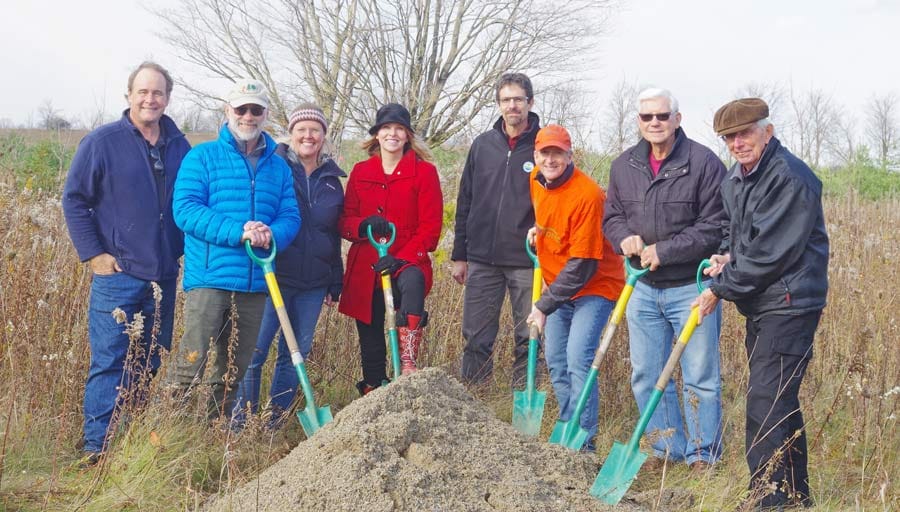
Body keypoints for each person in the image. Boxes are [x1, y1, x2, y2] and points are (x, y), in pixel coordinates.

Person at [695, 98, 829, 509]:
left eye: (745, 133)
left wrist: (720, 289)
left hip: (789, 302)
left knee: (765, 401)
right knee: (779, 399)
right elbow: (738, 237)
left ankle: (767, 498)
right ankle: (794, 497)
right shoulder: (737, 179)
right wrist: (724, 257)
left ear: (767, 131)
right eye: (729, 137)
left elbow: (771, 252)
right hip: (764, 304)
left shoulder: (789, 178)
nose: (737, 143)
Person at [62, 61, 191, 464]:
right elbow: (74, 200)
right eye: (143, 91)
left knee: (149, 359)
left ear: (167, 99)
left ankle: (129, 439)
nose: (150, 99)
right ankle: (96, 450)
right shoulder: (102, 142)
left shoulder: (180, 146)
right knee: (110, 360)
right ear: (129, 96)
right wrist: (94, 254)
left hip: (163, 274)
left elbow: (190, 202)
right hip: (118, 276)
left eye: (158, 93)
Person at [602, 88, 728, 471]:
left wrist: (665, 250)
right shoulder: (624, 166)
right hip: (643, 287)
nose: (654, 123)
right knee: (646, 374)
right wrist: (624, 237)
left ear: (677, 118)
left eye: (662, 116)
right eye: (646, 117)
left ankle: (703, 454)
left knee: (700, 376)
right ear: (638, 122)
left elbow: (715, 226)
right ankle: (665, 449)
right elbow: (612, 216)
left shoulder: (703, 163)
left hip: (691, 285)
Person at [166, 79, 300, 419]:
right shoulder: (202, 157)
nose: (248, 116)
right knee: (191, 361)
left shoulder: (278, 166)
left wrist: (270, 233)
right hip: (210, 278)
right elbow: (186, 210)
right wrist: (239, 231)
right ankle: (169, 431)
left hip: (256, 283)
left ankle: (213, 432)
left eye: (256, 110)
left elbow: (290, 215)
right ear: (228, 112)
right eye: (241, 109)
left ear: (265, 114)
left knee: (232, 371)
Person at [232, 103, 345, 428]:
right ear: (291, 134)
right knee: (254, 353)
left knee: (294, 354)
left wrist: (334, 280)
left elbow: (332, 233)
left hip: (313, 282)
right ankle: (243, 423)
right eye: (302, 130)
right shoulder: (273, 168)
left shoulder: (331, 179)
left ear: (323, 136)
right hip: (272, 276)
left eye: (315, 130)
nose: (308, 136)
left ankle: (274, 423)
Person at [525, 125, 624, 451]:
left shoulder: (588, 195)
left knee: (577, 358)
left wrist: (542, 305)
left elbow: (583, 264)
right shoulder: (536, 180)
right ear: (536, 156)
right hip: (559, 286)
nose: (550, 160)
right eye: (545, 153)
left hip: (594, 285)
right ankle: (570, 428)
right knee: (555, 359)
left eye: (558, 153)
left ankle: (584, 442)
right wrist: (537, 230)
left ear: (570, 156)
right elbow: (553, 218)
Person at [338, 103, 443, 394]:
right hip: (366, 264)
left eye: (399, 129)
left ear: (408, 136)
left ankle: (407, 362)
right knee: (369, 331)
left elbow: (431, 229)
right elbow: (345, 221)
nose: (392, 134)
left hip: (407, 261)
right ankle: (373, 386)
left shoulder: (424, 173)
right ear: (377, 135)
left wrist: (401, 259)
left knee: (412, 283)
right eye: (386, 128)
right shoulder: (360, 172)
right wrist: (363, 225)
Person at [453, 72, 541, 385]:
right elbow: (465, 199)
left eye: (518, 99)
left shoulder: (544, 146)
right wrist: (459, 255)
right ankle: (475, 397)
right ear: (499, 104)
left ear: (530, 102)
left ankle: (522, 403)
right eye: (506, 100)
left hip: (527, 260)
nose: (512, 105)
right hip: (482, 259)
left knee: (528, 336)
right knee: (476, 337)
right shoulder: (482, 146)